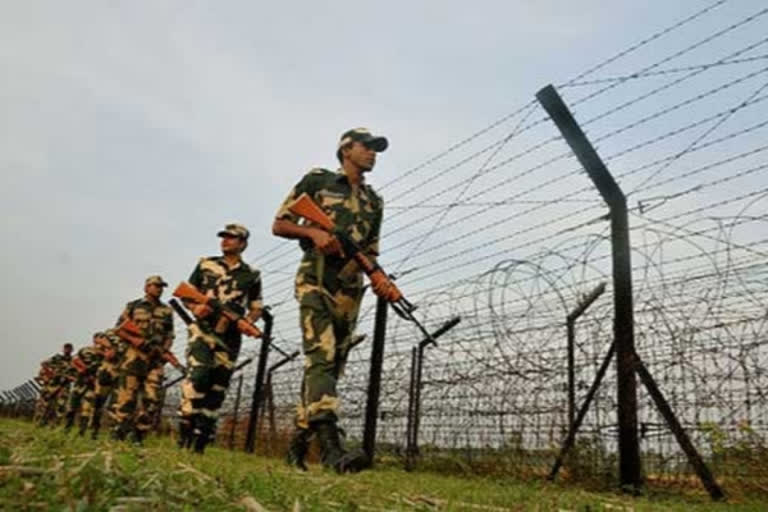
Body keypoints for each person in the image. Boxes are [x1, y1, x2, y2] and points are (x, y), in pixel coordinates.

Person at [272, 127, 395, 473]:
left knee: (329, 368)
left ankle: (296, 447)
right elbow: (279, 224)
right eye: (367, 147)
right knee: (322, 356)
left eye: (376, 149)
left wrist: (379, 276)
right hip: (315, 279)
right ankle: (331, 451)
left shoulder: (374, 201)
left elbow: (369, 251)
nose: (373, 154)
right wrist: (313, 231)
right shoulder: (319, 181)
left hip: (349, 290)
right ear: (346, 150)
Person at [177, 223, 263, 453]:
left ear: (243, 243)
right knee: (199, 375)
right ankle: (186, 424)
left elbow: (256, 306)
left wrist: (247, 322)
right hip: (203, 330)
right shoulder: (206, 264)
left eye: (232, 238)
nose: (225, 241)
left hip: (230, 336)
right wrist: (195, 307)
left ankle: (201, 438)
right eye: (224, 237)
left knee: (218, 386)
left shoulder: (252, 275)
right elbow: (186, 292)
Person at [111, 275, 174, 445]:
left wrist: (165, 351)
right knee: (127, 397)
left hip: (155, 360)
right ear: (146, 288)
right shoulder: (133, 306)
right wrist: (137, 342)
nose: (159, 289)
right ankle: (120, 431)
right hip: (133, 357)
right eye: (155, 286)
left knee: (152, 398)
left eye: (161, 286)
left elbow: (169, 334)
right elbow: (119, 328)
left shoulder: (167, 311)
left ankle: (139, 434)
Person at [63, 333, 105, 435]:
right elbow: (74, 361)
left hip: (93, 384)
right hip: (80, 383)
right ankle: (67, 429)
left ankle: (82, 431)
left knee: (86, 409)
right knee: (71, 407)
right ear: (94, 340)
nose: (99, 342)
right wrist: (80, 370)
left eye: (102, 339)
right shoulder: (85, 350)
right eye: (97, 339)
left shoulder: (105, 353)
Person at [37, 343, 74, 426]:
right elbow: (43, 363)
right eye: (66, 348)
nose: (67, 350)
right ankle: (40, 422)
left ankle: (55, 424)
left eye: (69, 349)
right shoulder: (57, 358)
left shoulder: (73, 361)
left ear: (72, 350)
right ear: (63, 349)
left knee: (60, 406)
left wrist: (69, 377)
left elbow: (75, 375)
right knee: (45, 405)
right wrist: (49, 373)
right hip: (52, 384)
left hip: (64, 386)